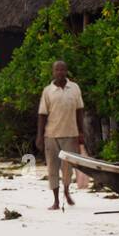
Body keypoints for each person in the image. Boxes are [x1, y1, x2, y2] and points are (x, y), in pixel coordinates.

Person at [36, 60, 85, 210]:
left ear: (66, 71)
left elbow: (79, 111)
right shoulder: (48, 91)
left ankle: (67, 192)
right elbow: (42, 114)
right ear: (53, 72)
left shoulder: (74, 88)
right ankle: (56, 201)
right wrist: (39, 136)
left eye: (62, 69)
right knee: (52, 168)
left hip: (71, 134)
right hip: (51, 135)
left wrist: (81, 132)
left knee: (67, 169)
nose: (60, 72)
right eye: (57, 70)